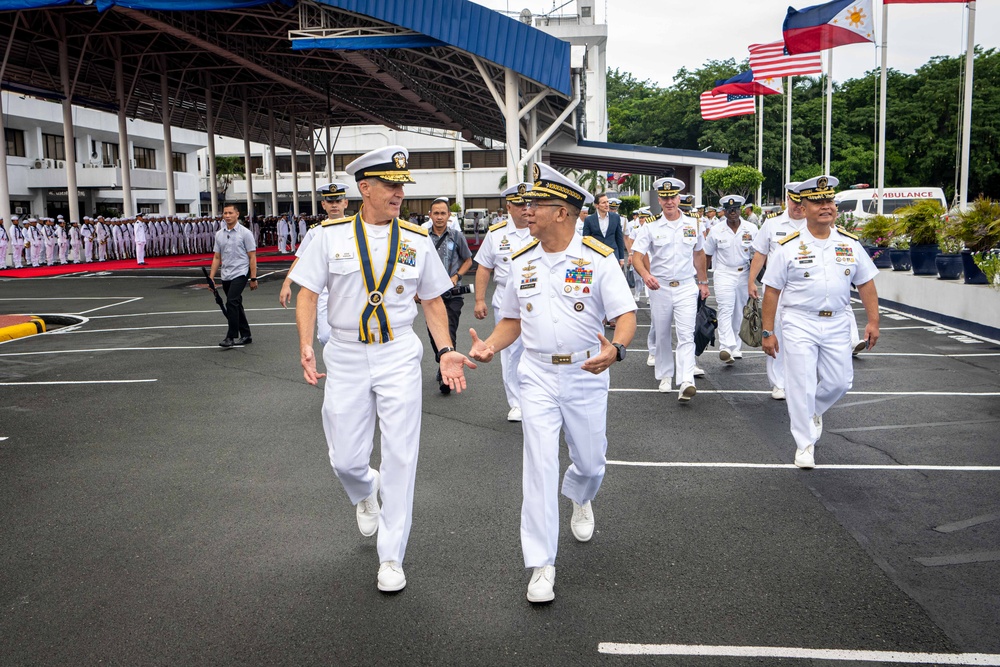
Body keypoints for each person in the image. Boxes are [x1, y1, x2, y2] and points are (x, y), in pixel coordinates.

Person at [289, 145, 475, 593]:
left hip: (397, 354)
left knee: (400, 457)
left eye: (401, 187)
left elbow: (431, 299)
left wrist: (445, 348)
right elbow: (308, 293)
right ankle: (364, 490)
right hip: (348, 355)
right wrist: (305, 346)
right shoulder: (329, 236)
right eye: (390, 186)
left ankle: (391, 556)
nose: (398, 194)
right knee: (347, 460)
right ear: (364, 187)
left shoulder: (415, 239)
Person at [468, 162, 636, 604]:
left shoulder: (597, 259)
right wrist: (489, 346)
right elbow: (511, 321)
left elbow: (626, 316)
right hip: (537, 374)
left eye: (537, 204)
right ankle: (541, 563)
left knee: (591, 461)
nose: (527, 210)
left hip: (585, 373)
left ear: (562, 211)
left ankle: (582, 495)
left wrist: (615, 350)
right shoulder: (520, 259)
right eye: (526, 204)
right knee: (538, 467)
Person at [761, 176, 880, 469]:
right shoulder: (788, 246)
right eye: (819, 202)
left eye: (830, 201)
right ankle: (805, 444)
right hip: (798, 321)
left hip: (838, 322)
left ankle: (813, 411)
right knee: (800, 382)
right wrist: (768, 331)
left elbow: (865, 283)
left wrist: (873, 322)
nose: (826, 207)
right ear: (804, 206)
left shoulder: (849, 244)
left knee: (841, 381)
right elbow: (772, 290)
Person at [631, 177, 710, 401]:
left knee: (686, 334)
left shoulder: (694, 223)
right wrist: (646, 275)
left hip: (686, 285)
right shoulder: (651, 226)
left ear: (679, 198)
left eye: (673, 197)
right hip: (661, 287)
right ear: (659, 199)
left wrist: (703, 282)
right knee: (663, 333)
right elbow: (637, 256)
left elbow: (699, 254)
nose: (669, 202)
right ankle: (665, 375)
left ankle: (686, 380)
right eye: (665, 198)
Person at [473, 182, 535, 421]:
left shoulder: (539, 229)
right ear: (509, 206)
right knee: (510, 352)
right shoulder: (496, 233)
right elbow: (484, 268)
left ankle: (538, 397)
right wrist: (479, 300)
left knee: (539, 346)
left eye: (528, 203)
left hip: (536, 299)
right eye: (519, 204)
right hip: (505, 300)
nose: (525, 209)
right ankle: (517, 402)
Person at [748, 183, 806, 400]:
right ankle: (778, 383)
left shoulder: (815, 224)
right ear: (787, 200)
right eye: (794, 201)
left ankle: (800, 380)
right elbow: (760, 254)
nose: (799, 206)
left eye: (802, 202)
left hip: (804, 290)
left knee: (803, 337)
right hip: (777, 291)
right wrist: (751, 280)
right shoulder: (772, 224)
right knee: (775, 334)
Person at [279, 182, 351, 347]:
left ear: (345, 203)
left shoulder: (356, 227)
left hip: (350, 286)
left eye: (338, 201)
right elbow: (300, 258)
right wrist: (286, 283)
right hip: (325, 289)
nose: (334, 205)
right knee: (326, 336)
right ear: (323, 205)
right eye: (330, 202)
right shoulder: (315, 232)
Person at [424, 196, 473, 395]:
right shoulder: (422, 237)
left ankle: (447, 375)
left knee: (449, 330)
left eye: (443, 213)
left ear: (449, 216)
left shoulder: (456, 236)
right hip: (430, 295)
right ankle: (442, 359)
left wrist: (457, 276)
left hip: (453, 295)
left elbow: (468, 260)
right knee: (432, 332)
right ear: (430, 215)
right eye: (436, 213)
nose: (439, 217)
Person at [704, 195, 757, 364]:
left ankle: (735, 347)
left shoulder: (751, 229)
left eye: (735, 209)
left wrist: (754, 279)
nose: (732, 212)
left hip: (744, 273)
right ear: (724, 212)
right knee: (726, 308)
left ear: (740, 210)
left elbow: (758, 255)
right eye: (729, 210)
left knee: (740, 310)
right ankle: (725, 346)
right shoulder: (716, 230)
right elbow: (707, 255)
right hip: (724, 272)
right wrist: (702, 279)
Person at [208, 204, 258, 348]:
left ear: (237, 214)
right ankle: (246, 334)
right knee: (236, 304)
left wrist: (253, 278)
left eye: (230, 213)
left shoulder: (245, 233)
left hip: (241, 272)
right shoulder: (219, 234)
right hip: (226, 274)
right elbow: (217, 257)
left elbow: (252, 256)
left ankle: (231, 336)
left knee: (231, 301)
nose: (227, 216)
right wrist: (211, 278)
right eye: (225, 213)